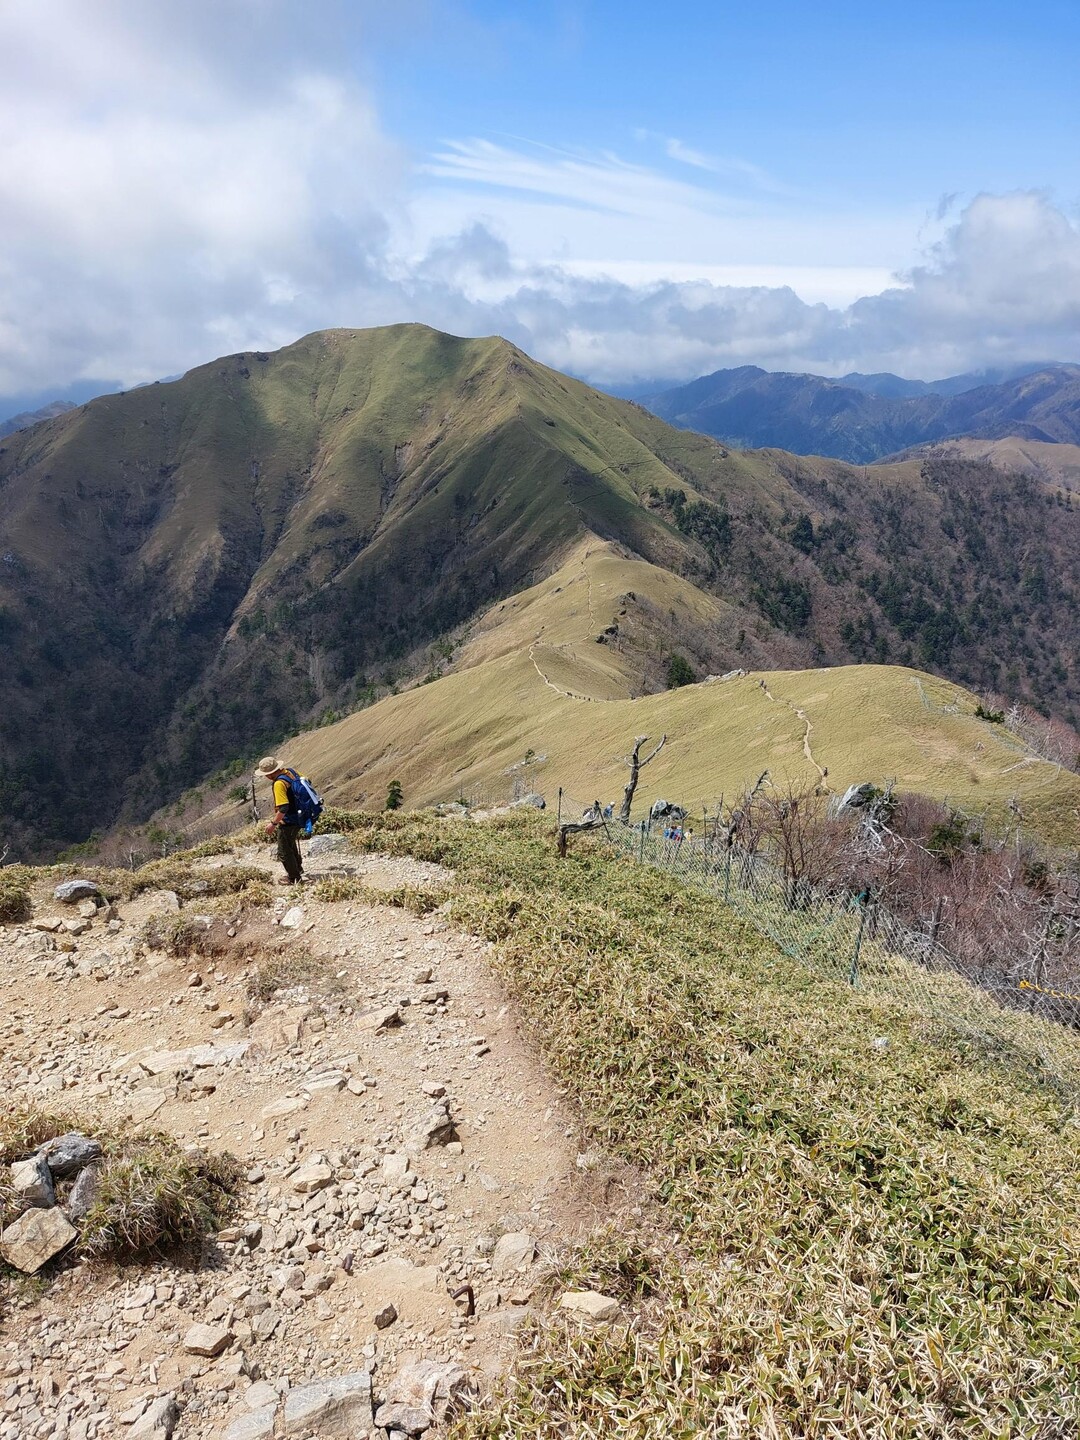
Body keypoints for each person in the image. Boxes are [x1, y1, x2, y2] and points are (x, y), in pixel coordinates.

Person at [256, 756, 305, 886]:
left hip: (289, 819)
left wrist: (273, 823)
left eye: (266, 774)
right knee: (290, 843)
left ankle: (294, 877)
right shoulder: (291, 772)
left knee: (283, 850)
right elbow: (307, 781)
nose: (266, 777)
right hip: (301, 815)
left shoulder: (279, 784)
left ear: (270, 773)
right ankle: (297, 868)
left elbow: (283, 807)